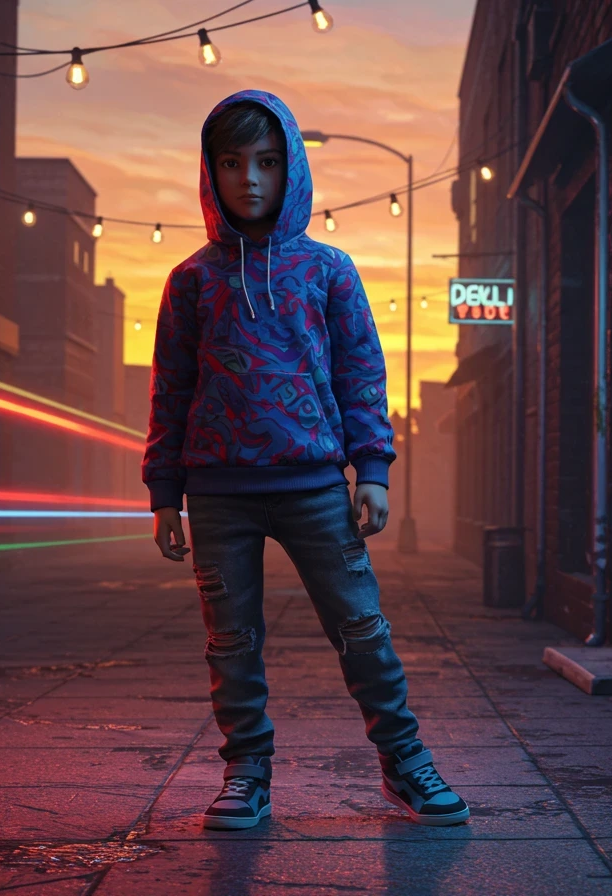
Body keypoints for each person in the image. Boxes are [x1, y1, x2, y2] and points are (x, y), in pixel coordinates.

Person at [142, 90, 469, 831]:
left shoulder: (329, 270)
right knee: (231, 640)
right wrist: (165, 492)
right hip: (217, 494)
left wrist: (373, 470)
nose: (249, 179)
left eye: (266, 162)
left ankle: (403, 760)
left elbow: (361, 372)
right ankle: (245, 772)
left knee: (362, 626)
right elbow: (172, 389)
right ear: (210, 171)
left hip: (317, 486)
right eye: (231, 163)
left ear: (292, 168)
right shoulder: (191, 281)